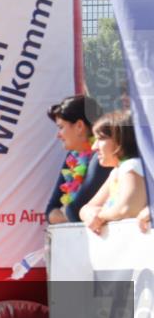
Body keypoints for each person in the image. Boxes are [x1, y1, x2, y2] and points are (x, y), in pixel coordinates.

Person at [44, 95, 111, 224]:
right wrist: (70, 213)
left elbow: (75, 210)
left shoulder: (102, 157)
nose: (58, 135)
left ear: (79, 126)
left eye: (61, 127)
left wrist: (66, 213)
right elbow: (50, 211)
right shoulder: (72, 157)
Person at [79, 111, 147, 235]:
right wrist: (90, 214)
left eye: (101, 139)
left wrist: (100, 215)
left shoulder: (131, 166)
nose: (94, 147)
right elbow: (86, 208)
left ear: (120, 139)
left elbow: (126, 209)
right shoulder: (118, 170)